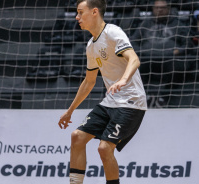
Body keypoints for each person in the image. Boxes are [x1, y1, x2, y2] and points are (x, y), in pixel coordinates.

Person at [58, 0, 147, 184]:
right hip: (111, 100)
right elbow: (89, 82)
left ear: (94, 12)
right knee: (77, 137)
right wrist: (70, 111)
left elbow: (134, 59)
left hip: (131, 101)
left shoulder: (112, 32)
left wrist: (123, 80)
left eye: (80, 12)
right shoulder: (91, 45)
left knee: (104, 148)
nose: (77, 17)